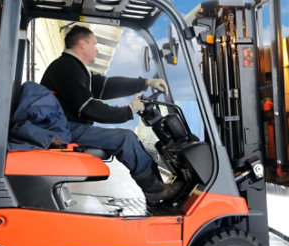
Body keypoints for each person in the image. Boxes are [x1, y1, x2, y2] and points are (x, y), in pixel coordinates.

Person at [40, 25, 182, 204]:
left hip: (64, 126)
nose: (97, 49)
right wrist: (127, 111)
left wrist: (146, 82)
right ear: (83, 44)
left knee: (128, 138)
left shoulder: (73, 68)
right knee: (126, 139)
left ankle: (159, 188)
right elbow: (88, 107)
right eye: (94, 43)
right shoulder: (68, 68)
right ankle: (156, 191)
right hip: (63, 130)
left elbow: (106, 85)